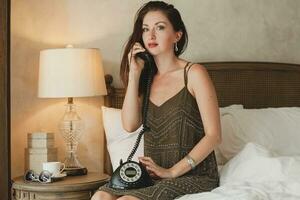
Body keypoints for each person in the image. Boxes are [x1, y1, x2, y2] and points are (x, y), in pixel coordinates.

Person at [92, 1, 221, 200]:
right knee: (100, 196)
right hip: (153, 175)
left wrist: (172, 172)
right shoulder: (146, 78)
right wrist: (134, 74)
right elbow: (129, 125)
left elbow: (214, 135)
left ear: (177, 35)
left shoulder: (194, 73)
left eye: (160, 27)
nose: (150, 35)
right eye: (145, 29)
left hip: (194, 175)